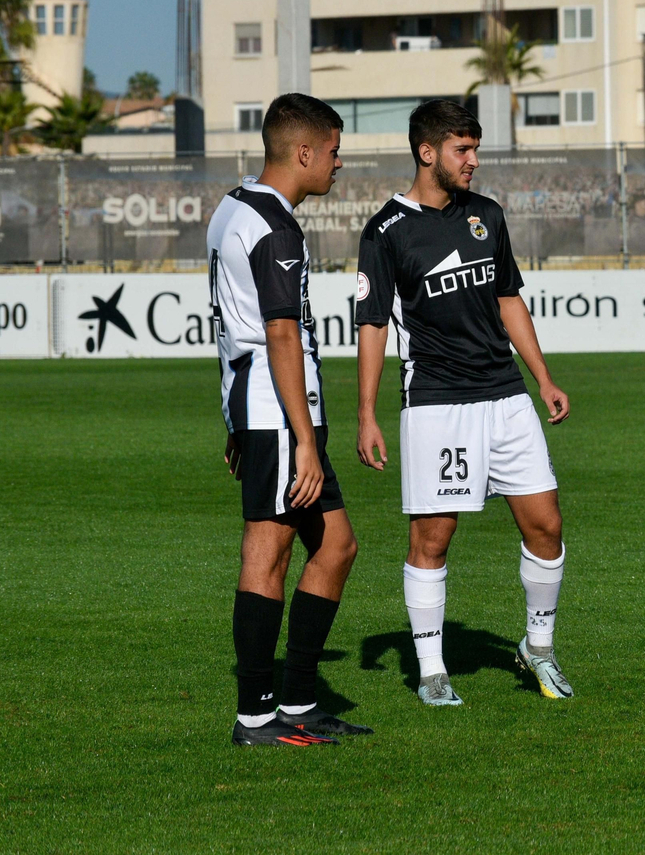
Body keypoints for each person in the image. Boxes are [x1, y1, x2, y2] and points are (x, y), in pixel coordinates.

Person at [355, 100, 574, 705]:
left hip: (504, 394)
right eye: (462, 150)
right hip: (436, 402)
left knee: (546, 523)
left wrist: (543, 378)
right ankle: (430, 670)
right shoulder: (385, 232)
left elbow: (508, 299)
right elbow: (372, 324)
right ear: (428, 152)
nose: (473, 161)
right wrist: (368, 412)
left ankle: (539, 648)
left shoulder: (488, 216)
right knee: (434, 536)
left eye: (475, 149)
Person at [209, 93, 371, 746]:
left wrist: (236, 419)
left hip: (264, 408)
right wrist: (302, 440)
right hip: (280, 414)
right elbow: (277, 333)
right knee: (269, 549)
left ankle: (299, 702)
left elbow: (234, 322)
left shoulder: (233, 207)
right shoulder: (275, 225)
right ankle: (255, 717)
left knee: (336, 545)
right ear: (303, 152)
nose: (340, 163)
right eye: (334, 151)